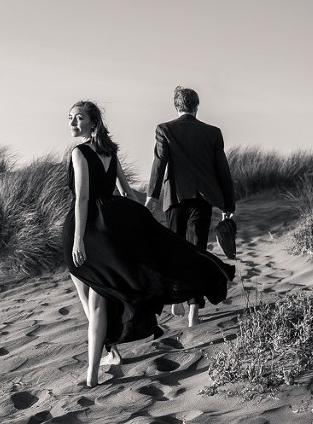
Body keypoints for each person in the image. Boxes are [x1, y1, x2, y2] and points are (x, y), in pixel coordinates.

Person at [62, 100, 235, 387]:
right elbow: (127, 193)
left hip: (85, 230)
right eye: (70, 118)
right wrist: (139, 221)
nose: (72, 123)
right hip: (108, 228)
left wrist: (78, 241)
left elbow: (81, 199)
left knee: (91, 302)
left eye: (78, 118)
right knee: (100, 299)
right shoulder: (110, 152)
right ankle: (105, 356)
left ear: (93, 122)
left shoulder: (79, 153)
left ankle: (96, 369)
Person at [145, 86, 236, 327]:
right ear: (197, 106)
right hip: (203, 199)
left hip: (175, 198)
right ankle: (194, 310)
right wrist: (228, 203)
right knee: (197, 250)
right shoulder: (213, 132)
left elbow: (159, 163)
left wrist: (152, 196)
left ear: (176, 106)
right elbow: (222, 170)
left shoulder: (165, 129)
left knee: (174, 251)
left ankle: (177, 298)